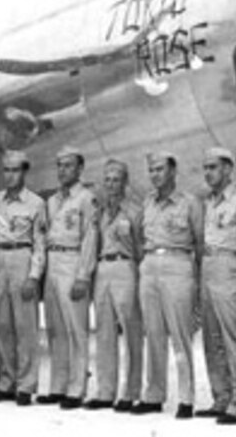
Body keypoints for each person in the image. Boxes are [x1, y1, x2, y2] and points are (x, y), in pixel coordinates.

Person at [132, 151, 203, 419]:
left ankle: (186, 398)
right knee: (153, 333)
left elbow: (200, 241)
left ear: (173, 171)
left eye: (160, 169)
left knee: (180, 335)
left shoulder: (189, 203)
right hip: (150, 264)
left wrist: (196, 279)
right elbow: (140, 237)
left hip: (178, 263)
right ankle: (154, 394)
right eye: (151, 170)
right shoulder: (147, 203)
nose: (155, 175)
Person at [0, 150, 47, 406]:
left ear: (24, 172)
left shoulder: (35, 203)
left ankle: (26, 385)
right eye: (6, 170)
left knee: (25, 327)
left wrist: (34, 276)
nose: (10, 176)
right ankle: (5, 382)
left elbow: (40, 243)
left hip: (22, 256)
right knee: (1, 326)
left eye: (15, 170)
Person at [195, 147, 236, 425]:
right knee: (212, 339)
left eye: (213, 167)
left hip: (230, 269)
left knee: (233, 339)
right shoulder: (208, 202)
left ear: (228, 169)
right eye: (205, 168)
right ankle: (221, 397)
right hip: (208, 269)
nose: (208, 173)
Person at [38, 146, 99, 409]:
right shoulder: (52, 201)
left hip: (73, 261)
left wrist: (83, 275)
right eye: (60, 165)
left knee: (76, 329)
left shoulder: (86, 199)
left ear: (80, 169)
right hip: (53, 262)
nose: (63, 170)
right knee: (55, 329)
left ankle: (76, 388)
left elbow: (90, 238)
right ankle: (58, 386)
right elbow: (44, 235)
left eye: (69, 165)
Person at [83, 159, 144, 412]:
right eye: (107, 180)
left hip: (125, 266)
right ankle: (105, 391)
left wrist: (140, 275)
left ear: (125, 182)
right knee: (104, 331)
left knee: (130, 330)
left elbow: (140, 246)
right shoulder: (100, 211)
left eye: (116, 179)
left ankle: (130, 391)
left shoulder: (134, 211)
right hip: (103, 268)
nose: (110, 184)